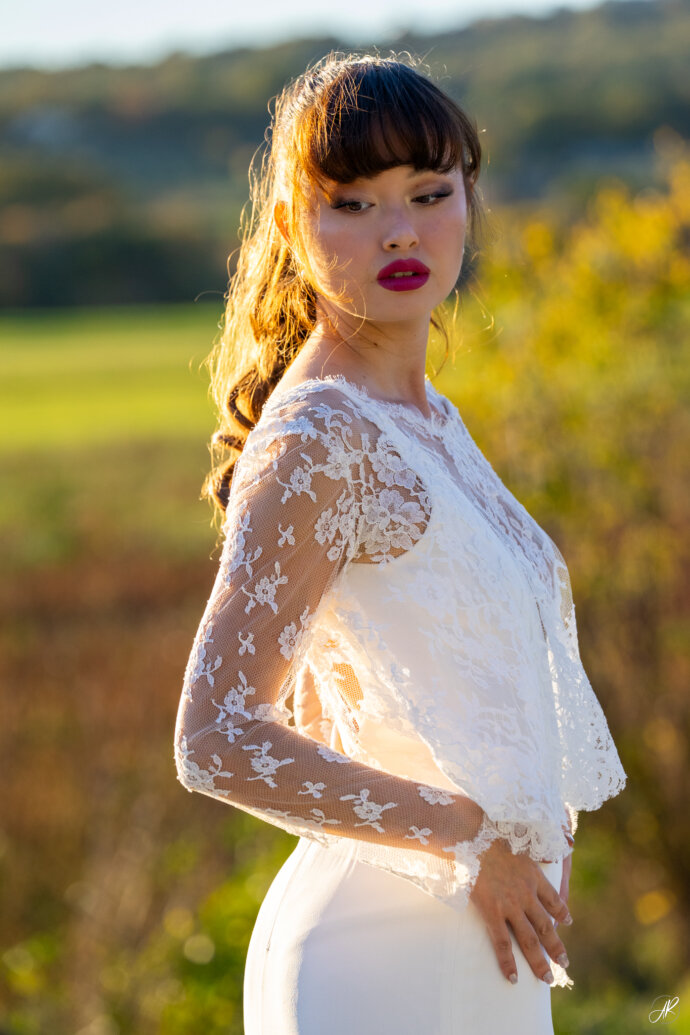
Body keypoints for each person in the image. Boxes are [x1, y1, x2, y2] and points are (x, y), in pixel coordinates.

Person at [173, 51, 627, 1034]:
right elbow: (216, 738)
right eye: (353, 204)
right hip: (378, 955)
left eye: (428, 193)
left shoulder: (427, 419)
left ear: (469, 199)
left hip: (483, 948)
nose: (400, 231)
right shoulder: (320, 437)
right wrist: (472, 837)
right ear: (291, 225)